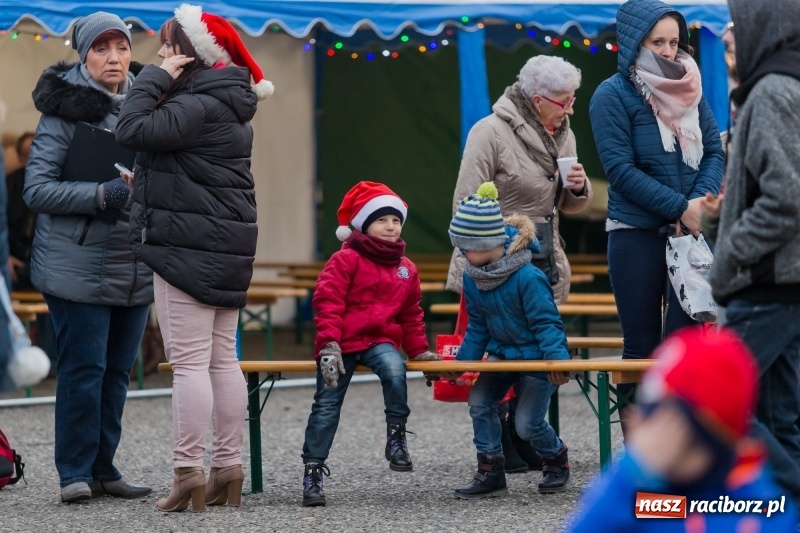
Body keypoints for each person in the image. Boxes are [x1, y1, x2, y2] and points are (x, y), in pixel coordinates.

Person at [115, 4, 273, 512]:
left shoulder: (194, 103)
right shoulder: (227, 103)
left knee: (188, 365)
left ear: (191, 53)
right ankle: (228, 467)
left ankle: (188, 473)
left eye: (168, 45)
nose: (160, 53)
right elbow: (195, 174)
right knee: (222, 359)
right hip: (225, 246)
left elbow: (130, 128)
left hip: (186, 248)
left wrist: (154, 77)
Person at [22, 12, 153, 503]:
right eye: (101, 48)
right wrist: (101, 194)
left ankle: (104, 468)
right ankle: (73, 472)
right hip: (74, 264)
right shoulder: (63, 112)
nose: (114, 58)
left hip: (133, 261)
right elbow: (36, 190)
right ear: (83, 55)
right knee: (84, 370)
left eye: (121, 47)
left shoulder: (151, 105)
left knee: (118, 372)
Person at [446, 54, 592, 472]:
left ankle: (525, 432)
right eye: (564, 101)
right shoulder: (489, 131)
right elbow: (465, 202)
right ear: (536, 99)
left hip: (543, 253)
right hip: (495, 257)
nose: (570, 109)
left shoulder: (564, 133)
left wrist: (577, 188)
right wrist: (493, 250)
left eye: (573, 99)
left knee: (537, 345)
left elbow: (566, 205)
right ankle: (503, 443)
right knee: (497, 347)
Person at [588, 0, 724, 429]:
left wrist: (697, 203)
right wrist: (681, 207)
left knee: (684, 346)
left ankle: (680, 445)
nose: (668, 51)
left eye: (673, 42)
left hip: (689, 234)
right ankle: (641, 452)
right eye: (657, 42)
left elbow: (714, 152)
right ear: (635, 42)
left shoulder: (691, 86)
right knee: (641, 347)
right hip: (635, 234)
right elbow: (620, 171)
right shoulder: (610, 95)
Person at [568, 327, 798, 532]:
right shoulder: (659, 496)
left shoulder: (759, 511)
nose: (638, 425)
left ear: (694, 435)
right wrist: (630, 474)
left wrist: (626, 479)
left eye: (653, 416)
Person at [708, 0, 800, 508]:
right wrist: (727, 215)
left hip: (766, 285)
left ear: (761, 27)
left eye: (733, 27)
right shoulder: (781, 86)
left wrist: (729, 252)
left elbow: (787, 200)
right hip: (780, 285)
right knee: (778, 420)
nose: (726, 39)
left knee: (710, 404)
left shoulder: (771, 92)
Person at [300, 181, 441, 507]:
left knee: (395, 370)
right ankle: (313, 473)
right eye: (381, 220)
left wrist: (419, 351)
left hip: (379, 341)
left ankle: (396, 438)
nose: (390, 226)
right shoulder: (345, 260)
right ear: (364, 224)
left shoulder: (406, 269)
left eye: (396, 220)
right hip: (341, 344)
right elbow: (328, 302)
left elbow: (411, 314)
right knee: (326, 406)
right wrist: (328, 345)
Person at [448, 182, 571, 498]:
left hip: (537, 358)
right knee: (480, 402)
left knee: (527, 425)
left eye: (466, 247)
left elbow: (547, 323)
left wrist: (557, 361)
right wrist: (461, 365)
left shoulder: (529, 277)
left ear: (489, 242)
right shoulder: (474, 276)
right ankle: (491, 471)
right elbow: (478, 326)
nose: (462, 254)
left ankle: (556, 458)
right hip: (502, 355)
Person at [6, 132, 35, 290]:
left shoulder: (56, 187)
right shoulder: (8, 185)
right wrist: (4, 257)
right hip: (12, 264)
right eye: (28, 154)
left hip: (45, 267)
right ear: (21, 158)